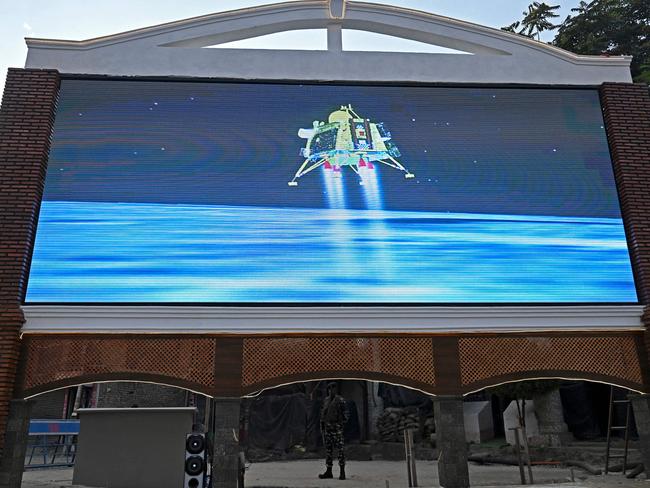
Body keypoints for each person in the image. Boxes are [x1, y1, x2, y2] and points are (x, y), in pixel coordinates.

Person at [319, 382, 349, 480]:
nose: (331, 390)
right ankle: (329, 471)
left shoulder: (340, 400)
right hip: (328, 429)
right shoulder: (326, 400)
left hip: (336, 429)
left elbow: (346, 414)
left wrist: (340, 425)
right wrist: (322, 426)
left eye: (333, 388)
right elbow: (323, 413)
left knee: (340, 450)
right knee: (328, 451)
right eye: (330, 388)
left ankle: (342, 471)